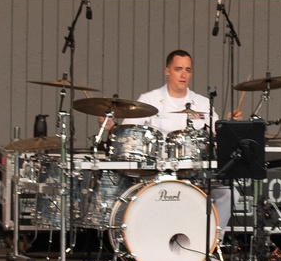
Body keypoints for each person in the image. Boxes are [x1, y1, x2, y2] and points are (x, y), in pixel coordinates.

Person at [101, 49, 236, 248]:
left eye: (188, 70)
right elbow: (129, 134)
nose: (183, 75)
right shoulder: (149, 100)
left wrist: (230, 125)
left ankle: (210, 245)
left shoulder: (202, 103)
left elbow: (218, 133)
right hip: (156, 170)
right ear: (167, 71)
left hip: (193, 170)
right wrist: (113, 128)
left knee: (230, 192)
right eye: (178, 69)